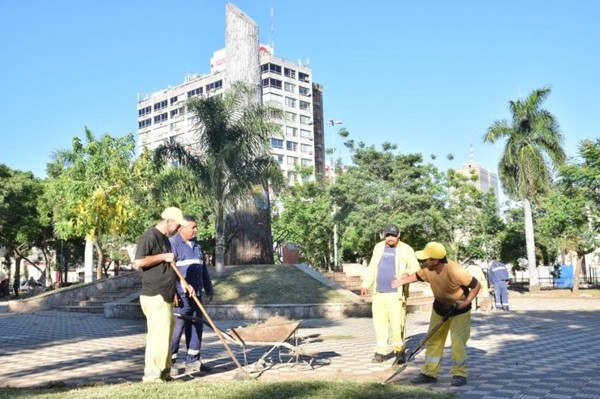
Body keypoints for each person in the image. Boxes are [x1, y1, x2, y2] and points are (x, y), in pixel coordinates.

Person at [391, 241, 480, 387]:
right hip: (439, 308)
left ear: (436, 260)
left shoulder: (456, 271)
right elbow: (417, 276)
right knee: (433, 340)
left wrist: (466, 302)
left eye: (427, 259)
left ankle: (459, 374)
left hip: (459, 310)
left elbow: (476, 286)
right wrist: (402, 282)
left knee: (457, 342)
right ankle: (429, 373)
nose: (424, 261)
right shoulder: (428, 269)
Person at [133, 206, 193, 383]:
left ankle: (164, 373)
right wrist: (162, 257)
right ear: (168, 221)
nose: (178, 228)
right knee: (157, 335)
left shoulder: (165, 240)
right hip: (154, 295)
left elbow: (168, 268)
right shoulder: (149, 236)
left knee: (166, 334)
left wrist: (176, 289)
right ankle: (152, 375)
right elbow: (139, 262)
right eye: (177, 225)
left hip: (166, 294)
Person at [360, 224, 420, 364]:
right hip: (379, 293)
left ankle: (399, 352)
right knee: (379, 323)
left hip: (396, 295)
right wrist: (365, 284)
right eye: (388, 235)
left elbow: (416, 268)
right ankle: (381, 352)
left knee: (397, 324)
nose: (390, 238)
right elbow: (372, 267)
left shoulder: (406, 249)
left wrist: (406, 275)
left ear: (399, 235)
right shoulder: (379, 247)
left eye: (393, 235)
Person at [170, 215, 214, 374]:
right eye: (192, 227)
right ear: (181, 227)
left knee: (196, 327)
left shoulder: (196, 245)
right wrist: (173, 291)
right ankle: (169, 363)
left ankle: (193, 362)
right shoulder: (172, 244)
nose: (196, 230)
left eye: (196, 227)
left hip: (197, 295)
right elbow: (168, 272)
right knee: (176, 330)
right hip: (181, 298)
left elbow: (203, 269)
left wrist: (208, 288)